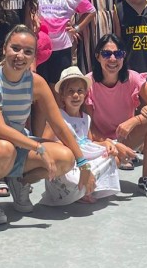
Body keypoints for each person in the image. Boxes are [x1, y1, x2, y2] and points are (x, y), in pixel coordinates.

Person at [0, 26, 88, 223]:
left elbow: (59, 125)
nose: (20, 56)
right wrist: (37, 147)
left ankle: (19, 181)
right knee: (5, 149)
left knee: (65, 158)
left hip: (18, 145)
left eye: (28, 51)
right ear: (5, 48)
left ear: (34, 56)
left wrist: (83, 163)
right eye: (15, 48)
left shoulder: (36, 82)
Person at [87, 34, 147, 197]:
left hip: (126, 137)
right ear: (97, 56)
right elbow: (88, 125)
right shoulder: (88, 82)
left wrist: (136, 120)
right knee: (99, 182)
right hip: (99, 142)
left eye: (118, 54)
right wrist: (111, 145)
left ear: (124, 57)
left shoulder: (133, 78)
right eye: (106, 54)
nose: (113, 59)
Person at [41, 67, 120, 205]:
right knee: (71, 175)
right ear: (62, 96)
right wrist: (59, 145)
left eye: (79, 91)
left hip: (82, 162)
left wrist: (105, 144)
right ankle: (80, 190)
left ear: (85, 94)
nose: (75, 95)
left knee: (110, 156)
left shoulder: (86, 118)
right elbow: (45, 144)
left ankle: (87, 188)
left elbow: (88, 143)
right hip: (67, 164)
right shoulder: (58, 118)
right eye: (70, 91)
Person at [35, 0, 95, 85]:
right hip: (36, 48)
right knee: (38, 87)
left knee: (60, 87)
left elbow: (90, 11)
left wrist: (76, 28)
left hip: (62, 49)